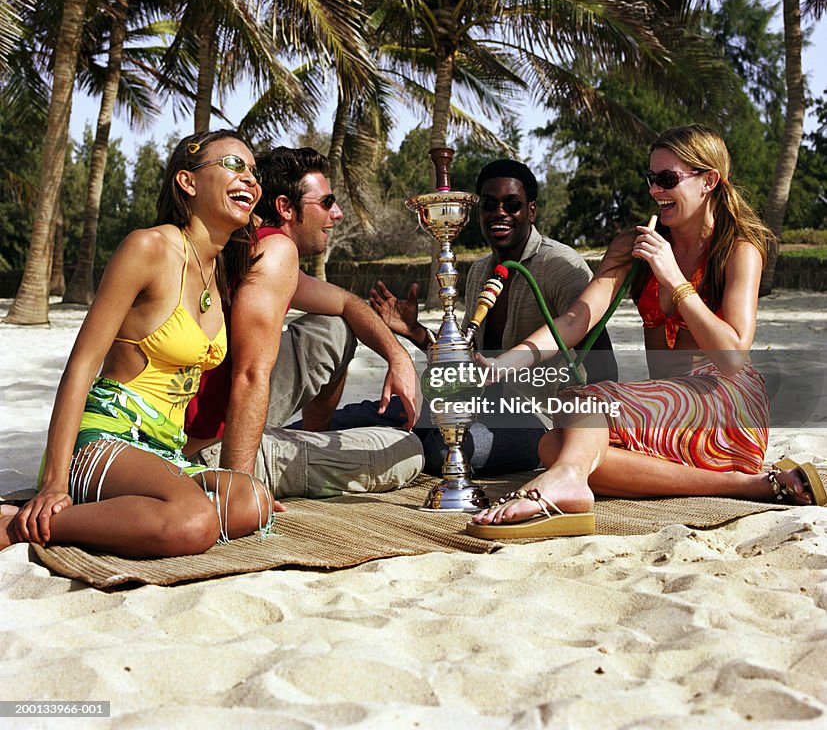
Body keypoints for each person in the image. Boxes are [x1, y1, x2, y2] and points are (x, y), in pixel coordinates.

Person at [469, 125, 826, 539]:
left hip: (728, 404)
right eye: (652, 179)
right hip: (668, 413)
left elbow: (732, 355)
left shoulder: (739, 248)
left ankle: (568, 480)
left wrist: (674, 278)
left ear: (709, 181)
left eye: (669, 179)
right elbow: (575, 319)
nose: (656, 191)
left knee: (587, 405)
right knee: (555, 445)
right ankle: (748, 485)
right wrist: (505, 363)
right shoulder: (634, 245)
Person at [0, 130, 278, 556]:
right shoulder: (149, 247)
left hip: (164, 451)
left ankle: (80, 516)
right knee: (194, 522)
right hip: (104, 438)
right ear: (188, 182)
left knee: (251, 500)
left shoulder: (219, 270)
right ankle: (18, 525)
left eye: (254, 172)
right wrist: (54, 481)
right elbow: (81, 365)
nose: (251, 179)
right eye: (234, 165)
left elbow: (297, 285)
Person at [184, 146, 423, 498]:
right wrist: (238, 492)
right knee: (407, 450)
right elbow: (249, 376)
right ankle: (290, 458)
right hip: (213, 454)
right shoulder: (277, 250)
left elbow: (347, 303)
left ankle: (309, 443)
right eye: (327, 203)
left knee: (335, 327)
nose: (337, 213)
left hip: (193, 426)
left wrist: (398, 356)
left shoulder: (248, 244)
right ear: (285, 208)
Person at [369, 158, 617, 474]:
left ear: (531, 211)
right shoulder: (478, 272)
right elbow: (470, 362)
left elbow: (604, 364)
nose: (500, 213)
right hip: (479, 405)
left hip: (537, 420)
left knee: (444, 448)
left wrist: (581, 439)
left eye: (512, 205)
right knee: (378, 411)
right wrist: (416, 331)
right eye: (489, 205)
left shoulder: (561, 267)